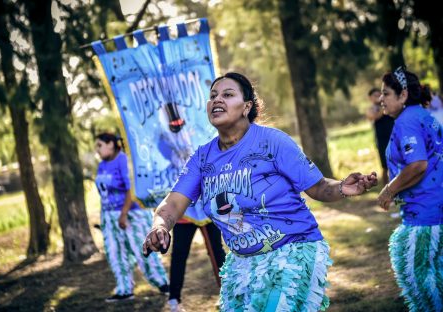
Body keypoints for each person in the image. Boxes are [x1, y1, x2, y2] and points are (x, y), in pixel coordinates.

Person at [142, 72, 378, 311]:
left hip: (292, 251)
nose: (217, 100)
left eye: (227, 94)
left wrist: (341, 187)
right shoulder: (202, 158)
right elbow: (172, 204)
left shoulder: (272, 142)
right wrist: (160, 226)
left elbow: (318, 188)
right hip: (241, 265)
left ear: (247, 107)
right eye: (213, 96)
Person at [376, 66, 443, 312]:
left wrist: (388, 190)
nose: (381, 99)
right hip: (436, 211)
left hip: (424, 215)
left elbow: (417, 165)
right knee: (436, 275)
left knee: (418, 279)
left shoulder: (407, 121)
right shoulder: (423, 115)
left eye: (386, 94)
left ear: (403, 95)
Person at [94, 132, 169, 302]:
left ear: (111, 144)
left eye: (99, 145)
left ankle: (163, 283)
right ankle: (124, 289)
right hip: (109, 215)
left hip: (131, 214)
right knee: (115, 253)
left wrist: (123, 214)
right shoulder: (102, 165)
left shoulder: (124, 160)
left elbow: (132, 189)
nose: (97, 150)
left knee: (142, 249)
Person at [168, 218, 226, 312]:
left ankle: (228, 293)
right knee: (179, 256)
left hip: (207, 214)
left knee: (217, 252)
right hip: (184, 215)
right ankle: (174, 299)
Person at [366, 87, 394, 185]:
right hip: (382, 141)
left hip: (394, 138)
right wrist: (384, 107)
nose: (378, 97)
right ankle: (385, 188)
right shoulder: (371, 109)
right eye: (376, 96)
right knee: (385, 166)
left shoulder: (390, 106)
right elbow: (374, 116)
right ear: (370, 98)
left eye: (380, 95)